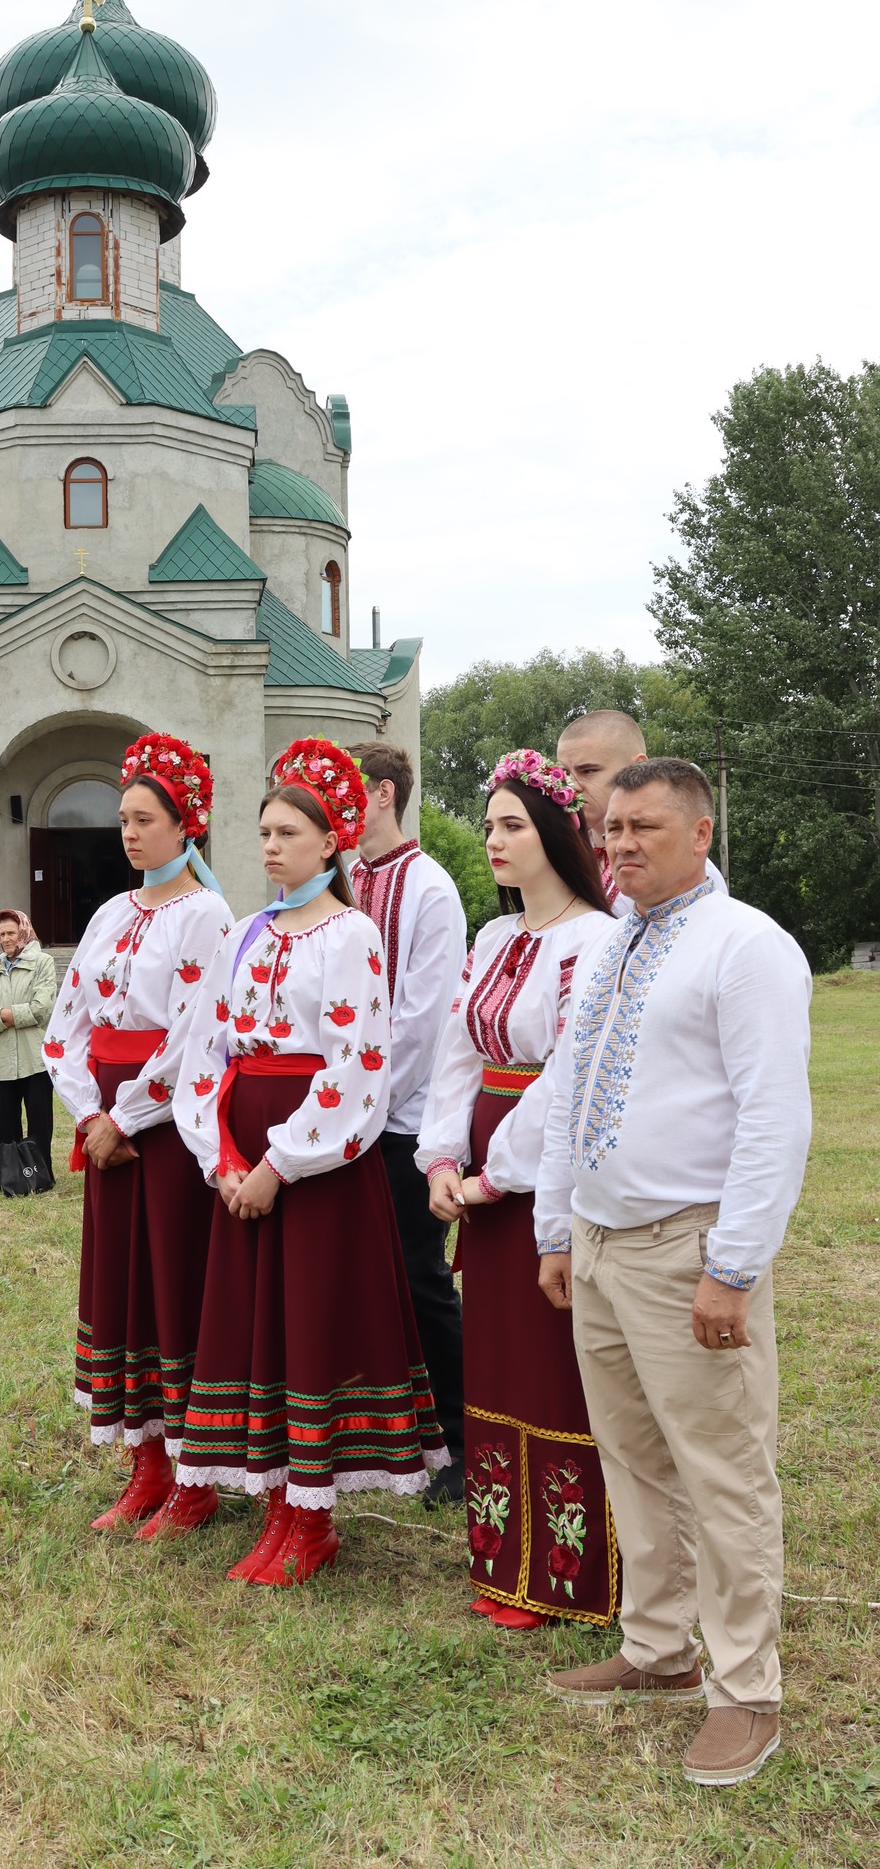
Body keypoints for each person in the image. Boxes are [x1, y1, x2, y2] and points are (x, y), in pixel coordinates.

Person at [535, 758, 812, 1789]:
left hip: (688, 1245)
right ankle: (657, 1646)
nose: (618, 845)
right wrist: (555, 1228)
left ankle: (746, 1689)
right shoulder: (613, 942)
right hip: (602, 1244)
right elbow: (569, 1090)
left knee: (723, 1469)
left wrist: (732, 1266)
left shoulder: (746, 946)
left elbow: (774, 1118)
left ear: (701, 832)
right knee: (634, 1456)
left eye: (642, 827)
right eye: (610, 828)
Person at [173, 737, 448, 1587]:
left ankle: (313, 1518)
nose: (270, 847)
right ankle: (274, 1505)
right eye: (263, 832)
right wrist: (219, 1155)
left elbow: (357, 1064)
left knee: (310, 1324)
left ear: (331, 843)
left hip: (316, 1161)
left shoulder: (351, 934)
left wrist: (280, 1164)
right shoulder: (246, 933)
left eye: (288, 833)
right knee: (260, 1325)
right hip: (242, 1147)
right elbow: (207, 1049)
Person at [418, 749, 620, 1630]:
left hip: (548, 1172)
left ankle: (570, 1571)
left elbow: (569, 1077)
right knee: (496, 1360)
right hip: (480, 1169)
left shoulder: (595, 939)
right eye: (489, 825)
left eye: (512, 825)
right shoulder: (494, 939)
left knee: (552, 1365)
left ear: (555, 834)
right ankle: (505, 1556)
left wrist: (494, 1176)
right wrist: (439, 1159)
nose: (494, 840)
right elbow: (457, 1054)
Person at [42, 734, 234, 1535]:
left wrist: (126, 1117)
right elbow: (66, 1026)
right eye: (123, 819)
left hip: (167, 1130)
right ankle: (145, 1464)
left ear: (186, 824)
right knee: (119, 1288)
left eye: (144, 819)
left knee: (169, 1287)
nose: (128, 833)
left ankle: (195, 1476)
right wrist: (90, 1116)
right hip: (106, 1130)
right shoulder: (110, 912)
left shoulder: (207, 915)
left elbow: (195, 1033)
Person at [350, 741, 468, 1505]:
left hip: (404, 1118)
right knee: (358, 1278)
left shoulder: (429, 887)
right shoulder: (342, 877)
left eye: (347, 789)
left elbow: (422, 1022)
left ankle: (461, 1439)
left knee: (420, 1278)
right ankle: (382, 1430)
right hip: (337, 1119)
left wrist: (364, 1109)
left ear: (384, 793)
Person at [556, 711, 726, 913]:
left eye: (588, 771)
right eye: (565, 773)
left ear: (636, 767)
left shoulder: (690, 871)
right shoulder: (562, 854)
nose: (572, 785)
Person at [0, 910, 59, 1183]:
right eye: (1, 934)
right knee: (6, 1121)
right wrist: (5, 1017)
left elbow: (41, 1008)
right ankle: (11, 1177)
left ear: (23, 932)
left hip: (34, 1058)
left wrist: (2, 1015)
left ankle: (40, 1175)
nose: (6, 939)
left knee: (39, 1121)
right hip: (2, 1059)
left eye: (11, 932)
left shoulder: (43, 963)